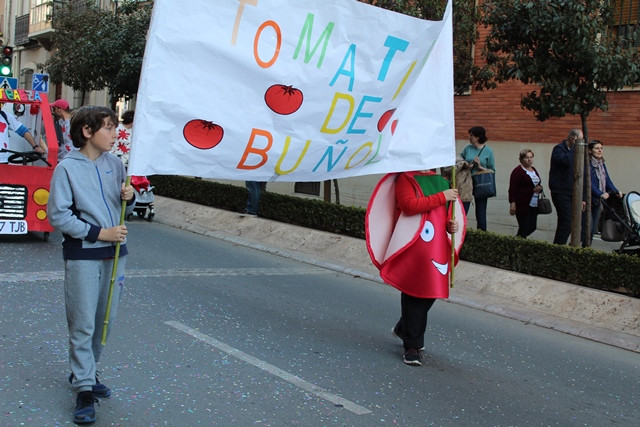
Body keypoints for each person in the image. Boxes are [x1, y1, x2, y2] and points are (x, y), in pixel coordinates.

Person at [48, 106, 135, 425]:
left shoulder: (116, 164)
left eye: (114, 128)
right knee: (83, 323)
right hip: (84, 254)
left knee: (104, 323)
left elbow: (122, 204)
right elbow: (59, 215)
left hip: (116, 256)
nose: (114, 134)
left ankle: (86, 373)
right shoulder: (66, 168)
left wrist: (131, 195)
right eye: (108, 128)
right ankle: (85, 387)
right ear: (87, 132)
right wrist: (100, 233)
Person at [365, 170, 463, 366]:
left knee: (430, 292)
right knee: (414, 293)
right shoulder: (406, 178)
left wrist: (450, 225)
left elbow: (442, 215)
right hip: (413, 244)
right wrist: (442, 196)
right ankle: (412, 346)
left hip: (436, 248)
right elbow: (409, 206)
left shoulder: (443, 181)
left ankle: (404, 328)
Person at [582, 140, 622, 246]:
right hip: (588, 200)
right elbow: (589, 183)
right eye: (597, 148)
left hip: (598, 202)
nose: (600, 150)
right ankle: (578, 248)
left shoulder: (602, 165)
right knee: (588, 229)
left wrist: (615, 191)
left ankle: (585, 250)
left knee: (593, 230)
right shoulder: (588, 165)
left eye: (601, 148)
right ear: (590, 151)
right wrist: (600, 193)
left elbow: (607, 180)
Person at [549, 128, 585, 245]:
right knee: (567, 221)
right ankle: (558, 247)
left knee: (568, 222)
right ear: (572, 138)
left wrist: (582, 197)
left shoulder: (576, 152)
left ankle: (560, 246)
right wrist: (576, 148)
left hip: (573, 192)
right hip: (560, 192)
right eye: (580, 140)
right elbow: (566, 161)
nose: (581, 143)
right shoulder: (559, 149)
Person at [460, 126, 495, 231]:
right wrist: (466, 165)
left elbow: (492, 170)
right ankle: (460, 234)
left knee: (481, 212)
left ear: (478, 136)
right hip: (467, 182)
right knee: (463, 210)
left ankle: (482, 236)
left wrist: (480, 166)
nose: (469, 137)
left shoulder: (488, 150)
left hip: (481, 183)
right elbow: (458, 161)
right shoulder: (467, 148)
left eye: (471, 135)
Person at [508, 149, 543, 238]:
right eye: (527, 158)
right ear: (521, 159)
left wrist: (540, 188)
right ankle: (515, 244)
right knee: (524, 227)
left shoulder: (534, 169)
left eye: (531, 157)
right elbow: (512, 188)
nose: (529, 159)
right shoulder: (517, 171)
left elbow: (538, 183)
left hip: (534, 203)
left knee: (532, 227)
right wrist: (512, 203)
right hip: (523, 204)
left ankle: (518, 242)